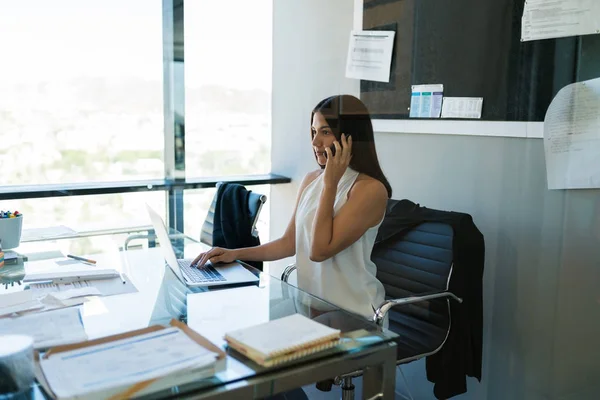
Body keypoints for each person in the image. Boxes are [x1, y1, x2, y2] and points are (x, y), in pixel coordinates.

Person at [192, 94, 392, 320]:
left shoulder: (369, 190)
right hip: (309, 306)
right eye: (314, 132)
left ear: (350, 138)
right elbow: (289, 243)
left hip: (354, 314)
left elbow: (318, 251)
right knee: (240, 322)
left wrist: (330, 184)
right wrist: (234, 254)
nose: (315, 142)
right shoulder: (311, 180)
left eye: (325, 132)